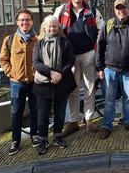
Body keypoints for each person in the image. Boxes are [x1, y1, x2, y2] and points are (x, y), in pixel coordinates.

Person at [54, 0, 104, 137]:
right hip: (70, 56)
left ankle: (88, 119)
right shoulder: (61, 11)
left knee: (90, 87)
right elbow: (52, 29)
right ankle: (74, 121)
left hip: (88, 53)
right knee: (73, 89)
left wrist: (96, 50)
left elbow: (101, 30)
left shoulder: (92, 10)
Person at [96, 0, 129, 140]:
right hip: (110, 69)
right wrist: (99, 67)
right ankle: (107, 125)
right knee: (109, 99)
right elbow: (100, 47)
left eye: (124, 8)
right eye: (118, 8)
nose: (121, 11)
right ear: (114, 10)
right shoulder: (108, 25)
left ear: (128, 9)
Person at [32, 16, 76, 154]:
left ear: (59, 28)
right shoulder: (38, 44)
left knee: (60, 113)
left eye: (55, 26)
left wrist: (59, 74)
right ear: (44, 28)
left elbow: (70, 60)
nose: (52, 29)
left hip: (62, 82)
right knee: (42, 114)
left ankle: (58, 136)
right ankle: (43, 139)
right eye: (49, 27)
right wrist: (51, 73)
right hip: (44, 84)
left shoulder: (65, 42)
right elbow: (36, 62)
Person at [0, 9, 40, 155]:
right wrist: (11, 73)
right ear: (17, 22)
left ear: (32, 22)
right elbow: (3, 60)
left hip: (35, 81)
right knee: (16, 111)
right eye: (22, 20)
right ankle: (15, 140)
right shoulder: (9, 40)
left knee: (36, 109)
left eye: (27, 20)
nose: (25, 22)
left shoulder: (38, 40)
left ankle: (34, 135)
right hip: (17, 82)